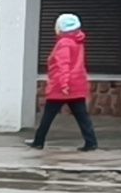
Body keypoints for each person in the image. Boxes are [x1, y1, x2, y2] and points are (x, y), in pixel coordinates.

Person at [28, 13, 98, 152]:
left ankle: (38, 141)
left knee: (48, 116)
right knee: (82, 116)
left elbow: (63, 64)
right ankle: (91, 142)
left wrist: (64, 84)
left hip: (61, 87)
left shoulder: (64, 43)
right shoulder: (78, 42)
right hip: (77, 84)